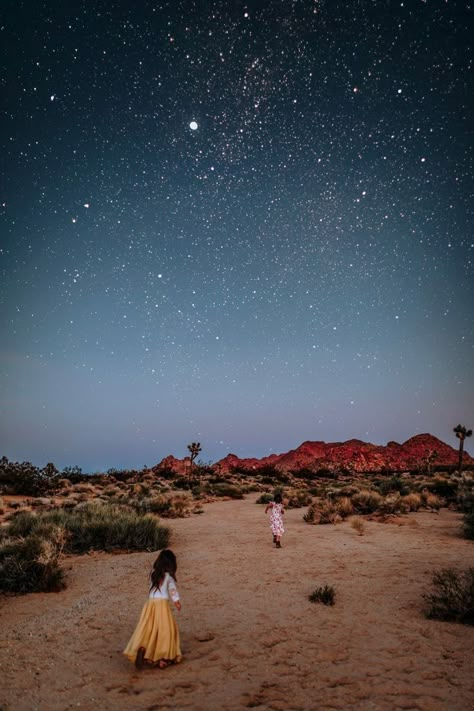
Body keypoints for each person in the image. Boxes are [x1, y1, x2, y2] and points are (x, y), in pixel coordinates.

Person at [123, 549, 182, 669]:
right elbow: (172, 590)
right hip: (162, 607)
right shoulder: (168, 577)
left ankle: (143, 648)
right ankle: (162, 658)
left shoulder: (152, 573)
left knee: (148, 628)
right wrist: (177, 601)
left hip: (150, 605)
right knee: (164, 631)